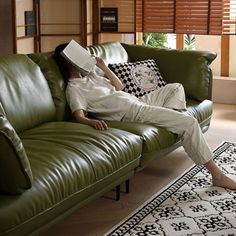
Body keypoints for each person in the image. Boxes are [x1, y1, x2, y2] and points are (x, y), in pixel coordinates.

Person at [54, 43, 236, 190]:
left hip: (138, 101)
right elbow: (79, 115)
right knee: (189, 122)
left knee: (176, 87)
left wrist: (102, 67)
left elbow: (120, 87)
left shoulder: (92, 76)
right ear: (70, 61)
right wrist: (91, 121)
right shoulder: (74, 88)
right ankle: (217, 175)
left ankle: (171, 117)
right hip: (133, 112)